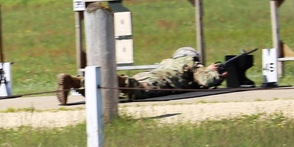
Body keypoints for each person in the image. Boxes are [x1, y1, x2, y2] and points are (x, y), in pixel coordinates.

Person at [55, 46, 223, 105]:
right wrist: (213, 71)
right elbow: (206, 80)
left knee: (111, 91)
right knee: (129, 87)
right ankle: (111, 77)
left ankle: (75, 82)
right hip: (158, 83)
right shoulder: (191, 63)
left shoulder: (167, 62)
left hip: (149, 75)